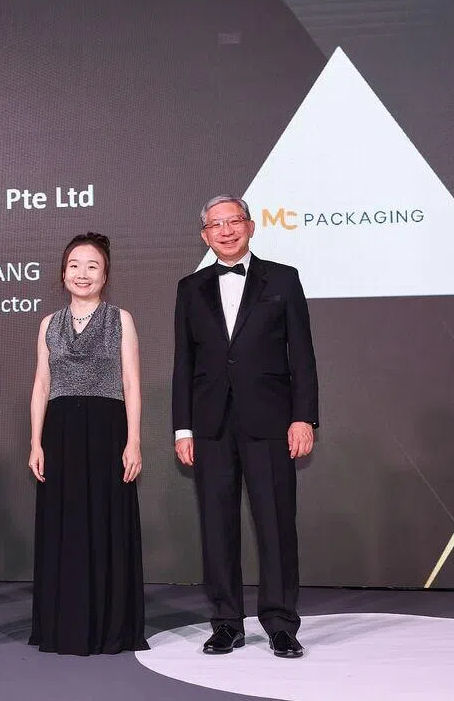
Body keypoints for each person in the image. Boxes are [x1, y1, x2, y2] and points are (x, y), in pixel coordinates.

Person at [172, 195, 318, 659]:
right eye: (216, 224)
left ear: (250, 226)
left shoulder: (284, 279)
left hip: (271, 422)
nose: (226, 230)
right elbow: (184, 363)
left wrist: (303, 417)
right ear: (205, 235)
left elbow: (303, 356)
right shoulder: (189, 288)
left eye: (234, 221)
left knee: (276, 524)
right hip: (210, 425)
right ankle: (226, 623)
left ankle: (280, 624)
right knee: (217, 526)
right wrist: (182, 429)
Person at [27, 233, 149, 655]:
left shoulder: (121, 319)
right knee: (64, 528)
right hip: (59, 436)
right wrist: (35, 442)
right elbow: (42, 385)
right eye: (75, 265)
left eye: (92, 266)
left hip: (107, 433)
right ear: (63, 273)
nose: (83, 273)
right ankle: (63, 627)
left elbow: (131, 383)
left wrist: (134, 441)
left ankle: (109, 627)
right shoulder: (48, 323)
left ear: (105, 274)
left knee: (106, 525)